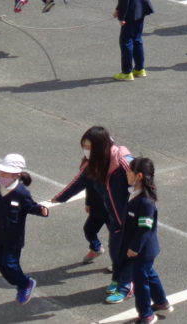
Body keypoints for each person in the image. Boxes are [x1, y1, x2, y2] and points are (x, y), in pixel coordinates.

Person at [52, 126, 135, 304]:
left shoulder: (123, 162)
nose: (86, 151)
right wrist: (59, 198)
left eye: (89, 147)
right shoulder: (94, 164)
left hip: (130, 217)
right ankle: (118, 279)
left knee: (126, 252)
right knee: (115, 250)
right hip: (114, 216)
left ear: (101, 146)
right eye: (84, 147)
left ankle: (126, 286)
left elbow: (143, 182)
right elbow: (78, 182)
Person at [0, 153, 49, 306]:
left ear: (16, 174)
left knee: (10, 263)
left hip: (13, 235)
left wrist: (42, 210)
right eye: (1, 172)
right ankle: (18, 283)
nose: (2, 176)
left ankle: (25, 284)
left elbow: (31, 206)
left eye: (6, 173)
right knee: (1, 265)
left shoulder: (21, 193)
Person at [124, 157, 172, 324]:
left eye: (129, 171)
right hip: (143, 248)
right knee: (149, 273)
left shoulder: (145, 201)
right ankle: (161, 301)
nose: (126, 173)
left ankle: (146, 314)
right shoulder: (135, 194)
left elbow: (144, 228)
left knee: (140, 281)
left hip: (142, 250)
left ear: (139, 176)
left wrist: (134, 248)